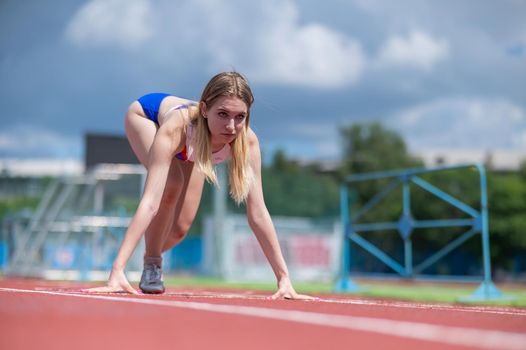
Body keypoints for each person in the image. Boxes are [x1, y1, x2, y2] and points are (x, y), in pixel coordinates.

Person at [87, 72, 313, 300]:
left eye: (240, 117)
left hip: (193, 144)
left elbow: (258, 212)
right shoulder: (177, 128)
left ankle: (150, 250)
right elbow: (150, 202)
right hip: (147, 117)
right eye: (223, 115)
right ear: (204, 110)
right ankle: (152, 263)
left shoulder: (247, 141)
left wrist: (284, 278)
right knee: (172, 182)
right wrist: (117, 270)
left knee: (179, 230)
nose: (231, 127)